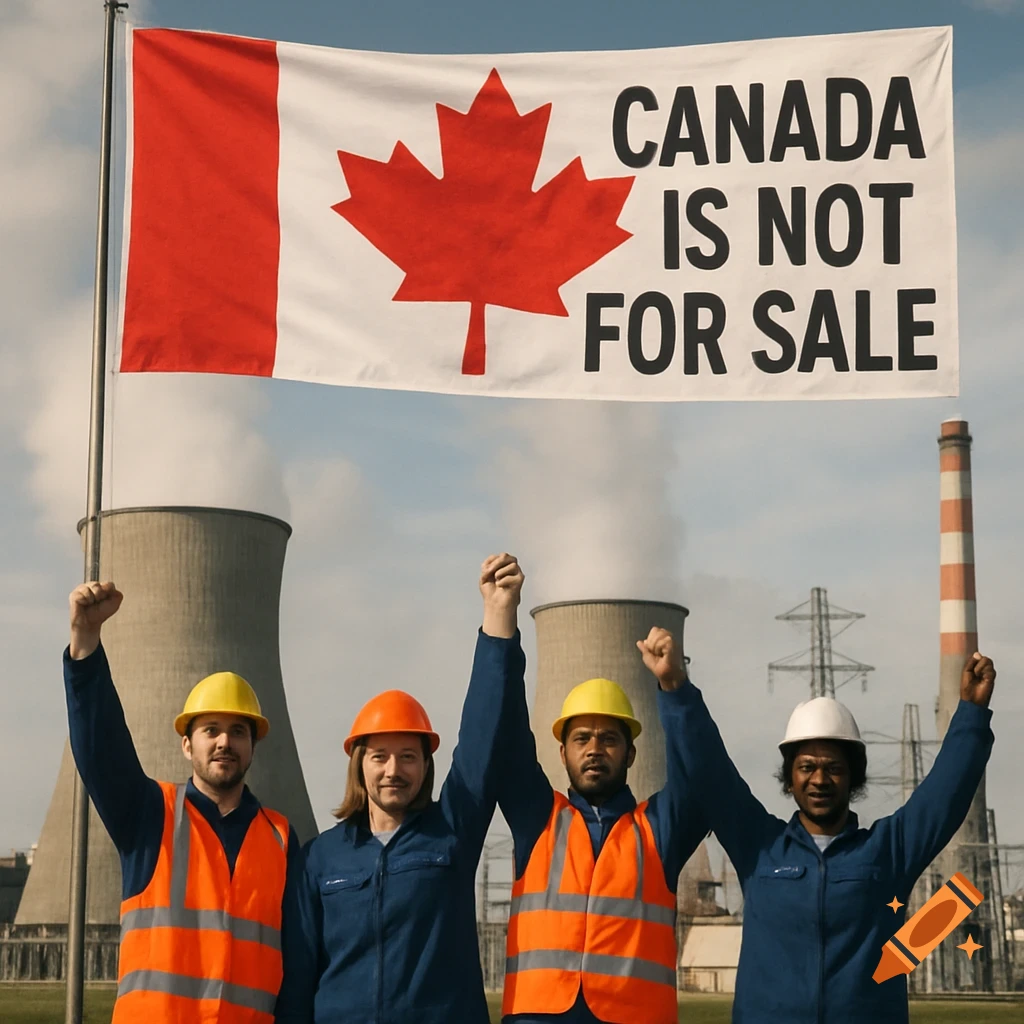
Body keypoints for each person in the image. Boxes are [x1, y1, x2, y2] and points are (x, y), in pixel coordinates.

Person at [645, 626, 997, 1024]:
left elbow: (943, 796)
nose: (819, 779)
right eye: (806, 767)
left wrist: (971, 713)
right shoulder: (758, 846)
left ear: (853, 777)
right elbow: (711, 770)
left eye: (833, 768)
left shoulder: (887, 853)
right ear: (790, 777)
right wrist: (675, 687)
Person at [275, 553, 527, 1024]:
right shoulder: (318, 860)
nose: (394, 769)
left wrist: (498, 618)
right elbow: (298, 982)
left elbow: (481, 733)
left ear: (425, 765)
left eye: (408, 756)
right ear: (359, 765)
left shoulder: (452, 832)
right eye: (380, 757)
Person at [65, 580, 299, 1023]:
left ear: (254, 746)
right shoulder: (151, 816)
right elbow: (101, 748)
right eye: (210, 730)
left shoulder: (281, 838)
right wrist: (85, 646)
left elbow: (298, 962)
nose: (224, 742)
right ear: (187, 745)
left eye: (238, 731)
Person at [497, 627, 710, 1024]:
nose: (594, 749)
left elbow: (700, 776)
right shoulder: (538, 819)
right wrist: (500, 630)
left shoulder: (658, 830)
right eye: (581, 738)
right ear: (562, 753)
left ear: (631, 754)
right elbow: (504, 733)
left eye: (609, 739)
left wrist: (674, 684)